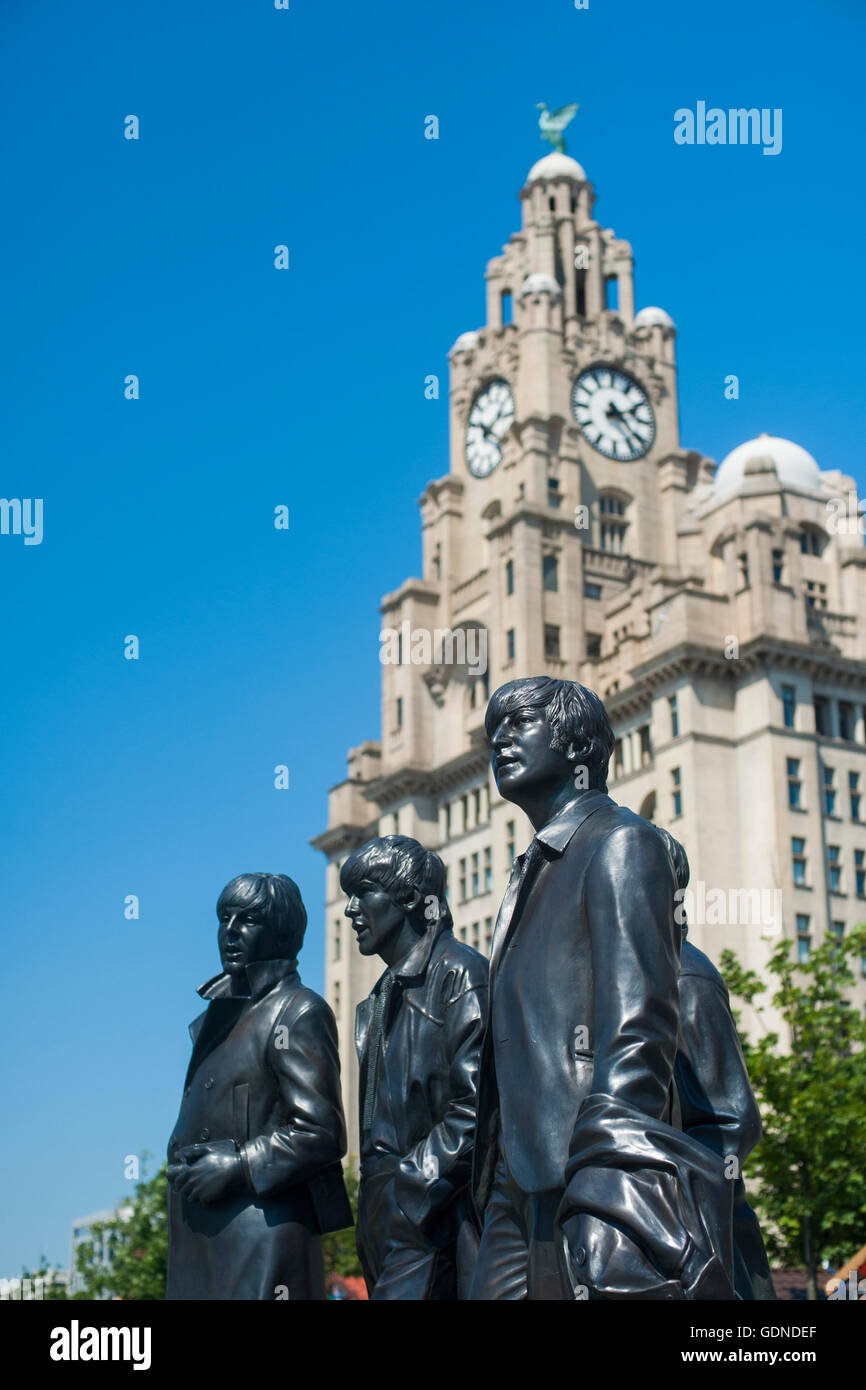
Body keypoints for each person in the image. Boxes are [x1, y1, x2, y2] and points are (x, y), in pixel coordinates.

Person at [471, 675, 736, 1300]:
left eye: (519, 722)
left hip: (580, 1165)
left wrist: (610, 1175)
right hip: (516, 1175)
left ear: (575, 740)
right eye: (492, 731)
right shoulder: (536, 868)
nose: (499, 739)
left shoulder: (621, 843)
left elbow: (637, 1023)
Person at [166, 872, 352, 1299]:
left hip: (260, 1238)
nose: (230, 932)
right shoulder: (222, 1016)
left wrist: (238, 1166)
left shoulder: (297, 1011)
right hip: (205, 1239)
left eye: (247, 920)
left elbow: (320, 1130)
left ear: (282, 931)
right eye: (223, 918)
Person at [341, 835, 488, 1299]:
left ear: (406, 898)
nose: (350, 910)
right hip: (385, 1209)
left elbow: (476, 1106)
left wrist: (415, 1183)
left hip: (433, 1208)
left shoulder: (460, 974)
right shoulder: (379, 998)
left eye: (363, 893)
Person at [655, 827, 777, 1301]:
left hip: (704, 1253)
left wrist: (664, 1198)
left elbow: (733, 1120)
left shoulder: (685, 978)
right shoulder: (641, 976)